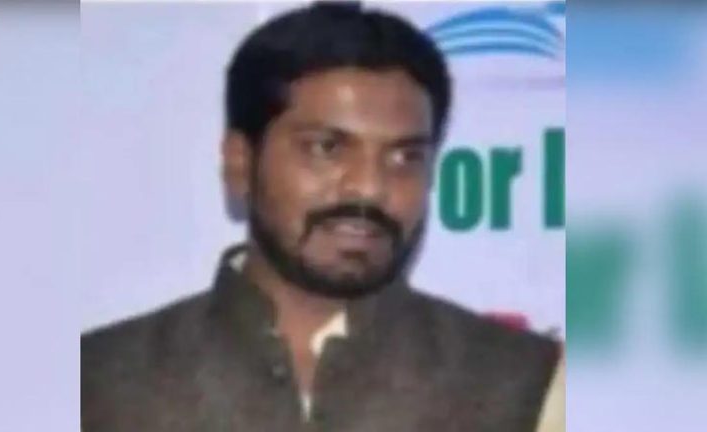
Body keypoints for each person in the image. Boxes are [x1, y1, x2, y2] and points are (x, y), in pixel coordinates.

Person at [81, 3, 563, 431]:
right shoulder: (97, 383)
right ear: (240, 163)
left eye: (404, 157)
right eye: (326, 148)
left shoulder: (526, 385)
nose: (369, 187)